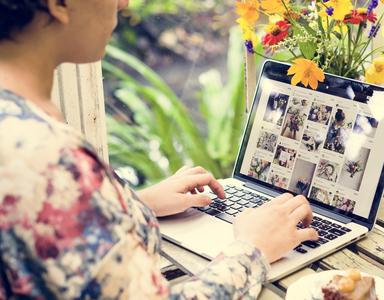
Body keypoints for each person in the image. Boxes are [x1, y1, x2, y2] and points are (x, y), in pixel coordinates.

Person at [0, 0, 319, 299]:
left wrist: (131, 205)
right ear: (58, 4)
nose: (124, 2)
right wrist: (253, 249)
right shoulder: (48, 157)